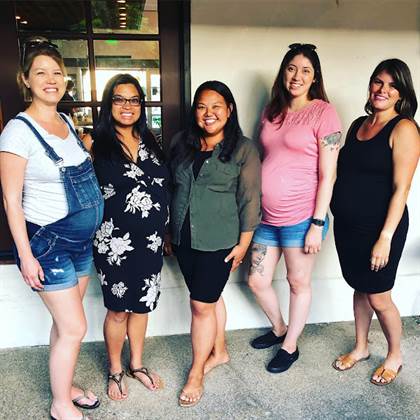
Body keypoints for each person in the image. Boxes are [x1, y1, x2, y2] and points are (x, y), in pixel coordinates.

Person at [0, 37, 103, 420]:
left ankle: (65, 386)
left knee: (64, 325)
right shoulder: (17, 132)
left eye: (57, 73)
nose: (50, 79)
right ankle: (60, 405)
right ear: (26, 79)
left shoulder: (65, 122)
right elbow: (11, 201)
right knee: (75, 327)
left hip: (80, 243)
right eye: (40, 72)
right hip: (48, 244)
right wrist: (26, 256)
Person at [248, 43, 342, 373]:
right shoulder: (271, 111)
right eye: (291, 68)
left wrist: (317, 222)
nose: (297, 76)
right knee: (257, 281)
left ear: (315, 77)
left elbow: (329, 174)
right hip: (266, 218)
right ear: (283, 72)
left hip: (302, 218)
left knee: (297, 283)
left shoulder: (324, 112)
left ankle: (290, 346)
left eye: (305, 70)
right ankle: (279, 329)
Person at [168, 80, 261, 406]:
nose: (209, 113)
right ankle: (219, 352)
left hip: (219, 241)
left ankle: (196, 372)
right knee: (208, 299)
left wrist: (243, 244)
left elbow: (250, 199)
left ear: (229, 110)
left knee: (200, 305)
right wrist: (168, 231)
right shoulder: (181, 143)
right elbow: (171, 188)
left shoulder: (243, 149)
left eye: (216, 106)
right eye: (202, 107)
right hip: (183, 238)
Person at [331, 59, 419, 385]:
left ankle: (395, 355)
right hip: (348, 227)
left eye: (392, 85)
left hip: (381, 229)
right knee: (360, 287)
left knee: (379, 296)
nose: (383, 90)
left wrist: (385, 237)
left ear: (402, 93)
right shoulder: (358, 124)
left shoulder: (404, 128)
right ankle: (361, 347)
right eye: (378, 82)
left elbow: (401, 188)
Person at [82, 74, 168, 400]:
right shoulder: (94, 142)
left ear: (141, 105)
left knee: (142, 305)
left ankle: (137, 364)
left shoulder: (151, 141)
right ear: (109, 104)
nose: (127, 106)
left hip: (151, 241)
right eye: (119, 99)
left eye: (134, 99)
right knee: (119, 309)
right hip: (113, 243)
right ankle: (116, 369)